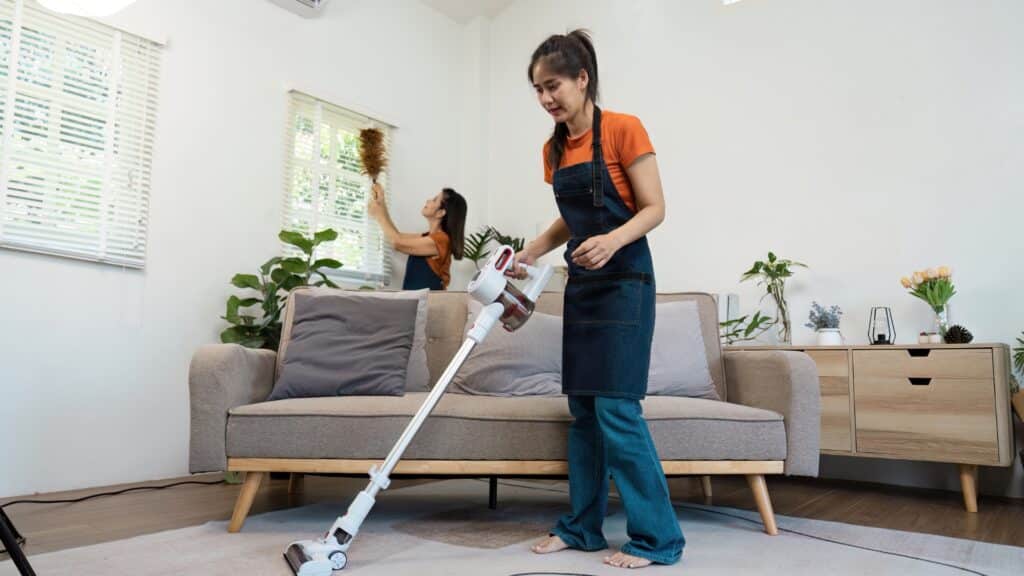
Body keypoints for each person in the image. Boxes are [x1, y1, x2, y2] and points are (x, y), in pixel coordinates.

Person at [512, 30, 684, 569]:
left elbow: (653, 208)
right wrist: (535, 249)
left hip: (627, 282)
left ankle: (658, 540)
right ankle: (582, 529)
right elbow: (576, 212)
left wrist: (612, 241)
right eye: (538, 89)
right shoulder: (554, 148)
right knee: (584, 411)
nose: (546, 99)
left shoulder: (624, 130)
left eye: (554, 85)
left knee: (616, 408)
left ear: (583, 79)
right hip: (583, 285)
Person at [368, 183, 466, 290]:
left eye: (434, 200)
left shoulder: (441, 240)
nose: (428, 200)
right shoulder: (427, 237)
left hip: (428, 304)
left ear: (441, 213)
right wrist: (381, 203)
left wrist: (378, 215)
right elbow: (398, 236)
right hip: (414, 302)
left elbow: (397, 242)